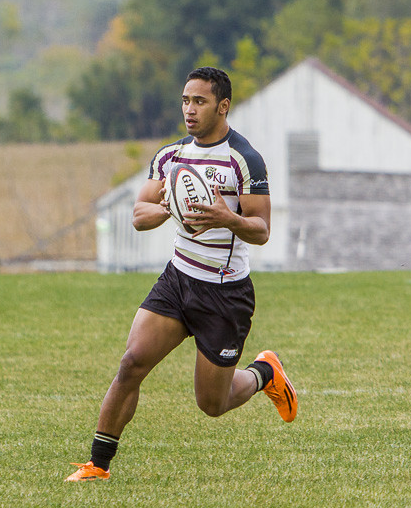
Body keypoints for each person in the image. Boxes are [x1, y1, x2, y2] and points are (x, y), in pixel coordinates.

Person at [66, 66, 297, 482]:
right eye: (185, 101)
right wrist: (170, 208)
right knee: (132, 362)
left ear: (222, 107)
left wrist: (228, 218)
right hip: (177, 280)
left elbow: (262, 230)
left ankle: (265, 373)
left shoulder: (244, 159)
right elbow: (139, 215)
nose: (189, 110)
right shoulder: (170, 156)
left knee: (212, 403)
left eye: (200, 101)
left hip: (224, 294)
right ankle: (98, 465)